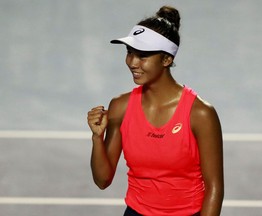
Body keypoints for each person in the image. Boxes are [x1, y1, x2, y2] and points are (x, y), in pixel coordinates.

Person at [87, 6, 224, 216]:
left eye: (143, 56)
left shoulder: (201, 114)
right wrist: (97, 138)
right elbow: (102, 180)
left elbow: (215, 187)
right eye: (129, 53)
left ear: (167, 59)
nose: (132, 62)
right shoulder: (120, 107)